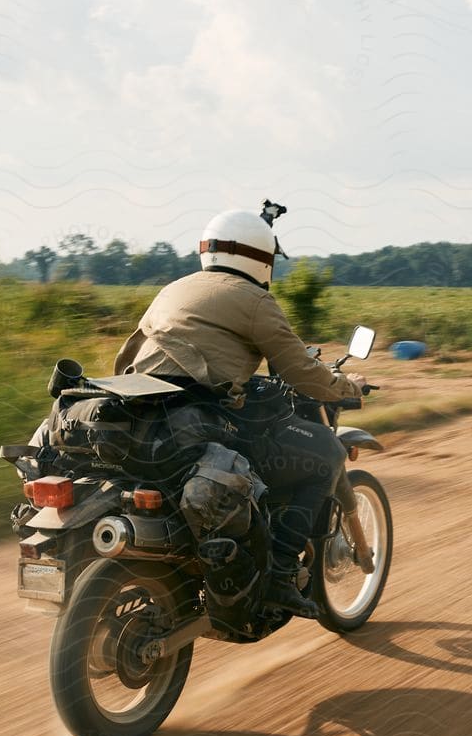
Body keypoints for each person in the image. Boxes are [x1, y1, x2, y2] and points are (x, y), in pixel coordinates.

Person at [112, 202, 364, 617]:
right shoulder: (255, 301)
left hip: (140, 419)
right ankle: (281, 573)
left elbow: (127, 357)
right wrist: (344, 386)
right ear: (262, 258)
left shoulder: (173, 290)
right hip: (195, 425)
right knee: (325, 453)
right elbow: (300, 370)